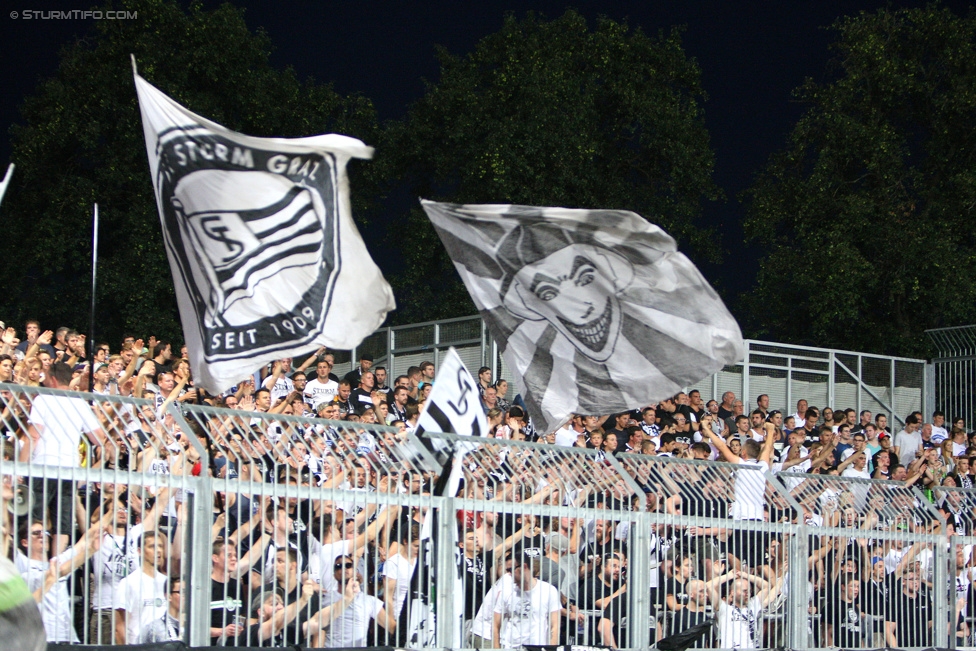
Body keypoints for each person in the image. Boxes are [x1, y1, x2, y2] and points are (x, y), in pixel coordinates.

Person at [26, 361, 106, 552]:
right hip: (69, 468)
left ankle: (35, 560)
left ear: (52, 379)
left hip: (43, 466)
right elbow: (99, 438)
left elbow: (33, 436)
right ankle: (58, 562)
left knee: (35, 517)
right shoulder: (79, 402)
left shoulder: (42, 399)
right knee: (63, 520)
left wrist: (20, 467)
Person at [492, 553, 561, 648]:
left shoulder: (548, 590)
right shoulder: (507, 591)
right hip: (511, 647)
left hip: (537, 647)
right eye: (507, 570)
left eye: (511, 570)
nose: (509, 574)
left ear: (524, 566)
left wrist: (552, 648)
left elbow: (555, 626)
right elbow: (495, 625)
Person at [114, 530, 169, 644]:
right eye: (152, 546)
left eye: (160, 546)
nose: (158, 550)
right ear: (139, 551)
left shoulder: (166, 582)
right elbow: (119, 627)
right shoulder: (128, 583)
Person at [139, 575, 184, 642]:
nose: (186, 596)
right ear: (169, 596)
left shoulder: (193, 629)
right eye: (181, 592)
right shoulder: (155, 628)